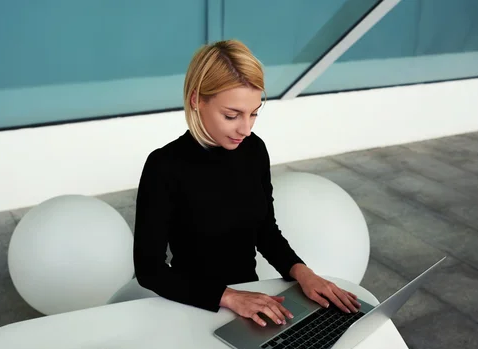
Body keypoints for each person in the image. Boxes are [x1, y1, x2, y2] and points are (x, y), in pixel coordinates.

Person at [133, 39, 360, 327]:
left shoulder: (254, 150)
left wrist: (304, 273)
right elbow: (149, 270)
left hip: (253, 302)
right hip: (194, 305)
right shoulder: (164, 166)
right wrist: (228, 297)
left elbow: (265, 231)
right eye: (232, 115)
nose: (246, 128)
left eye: (253, 113)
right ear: (195, 100)